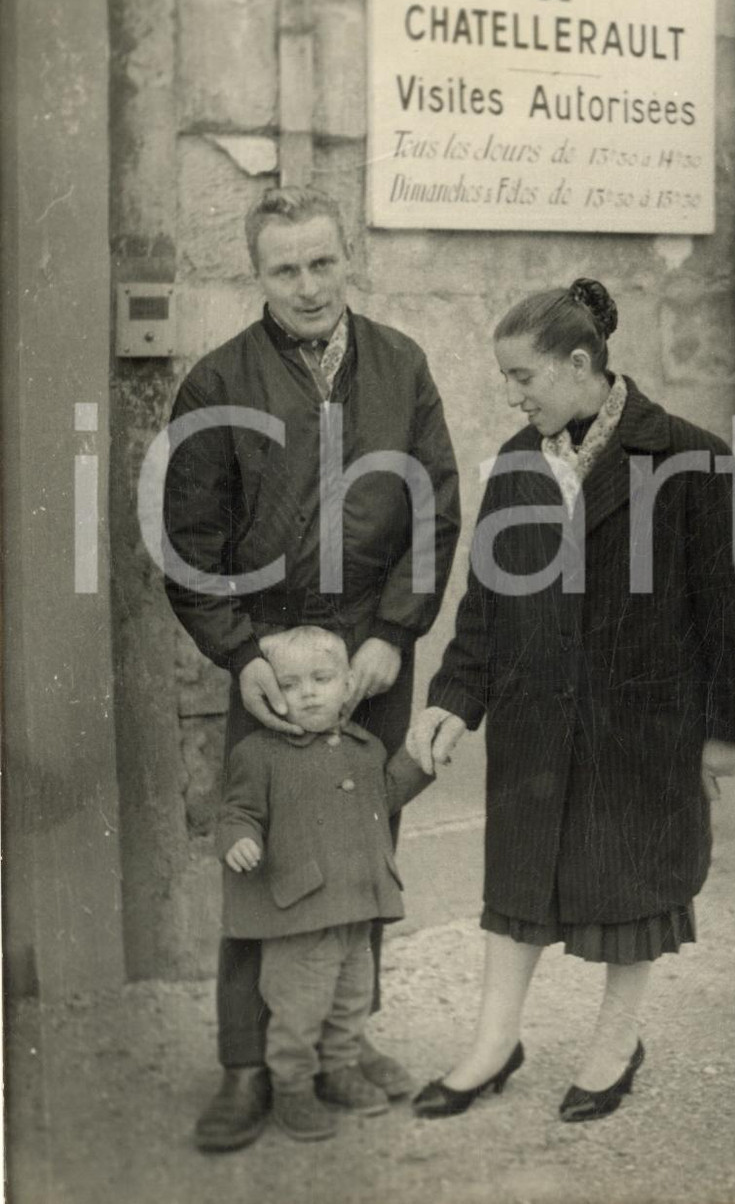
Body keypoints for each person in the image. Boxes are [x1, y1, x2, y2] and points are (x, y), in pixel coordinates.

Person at [406, 278, 735, 1123]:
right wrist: (453, 697)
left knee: (632, 887)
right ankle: (494, 1043)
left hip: (642, 723)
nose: (512, 395)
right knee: (519, 881)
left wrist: (728, 730)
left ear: (579, 364)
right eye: (505, 378)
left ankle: (615, 1041)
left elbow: (729, 609)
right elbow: (486, 602)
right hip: (535, 719)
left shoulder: (693, 459)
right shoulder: (516, 466)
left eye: (522, 376)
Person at [163, 186, 460, 1150]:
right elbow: (190, 547)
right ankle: (248, 1067)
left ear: (348, 259)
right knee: (265, 866)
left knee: (364, 853)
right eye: (285, 268)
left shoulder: (401, 364)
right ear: (256, 274)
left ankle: (341, 1045)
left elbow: (433, 511)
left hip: (369, 656)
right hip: (275, 662)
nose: (307, 285)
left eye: (322, 262)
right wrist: (238, 652)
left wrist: (396, 632)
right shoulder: (217, 383)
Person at [219, 627, 432, 1141]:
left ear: (348, 684)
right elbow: (237, 810)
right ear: (270, 693)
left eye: (321, 678)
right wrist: (239, 838)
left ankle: (338, 1069)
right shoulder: (259, 753)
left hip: (356, 908)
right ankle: (292, 1088)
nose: (309, 693)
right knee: (297, 1008)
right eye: (290, 685)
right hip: (300, 913)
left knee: (351, 999)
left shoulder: (365, 747)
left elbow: (382, 797)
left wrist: (418, 760)